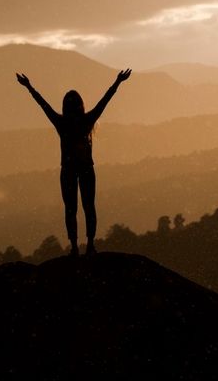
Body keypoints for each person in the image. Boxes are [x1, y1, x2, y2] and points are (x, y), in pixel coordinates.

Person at [16, 69, 132, 256]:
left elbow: (42, 104)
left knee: (71, 209)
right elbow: (105, 101)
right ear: (81, 105)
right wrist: (118, 82)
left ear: (65, 106)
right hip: (86, 169)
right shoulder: (87, 121)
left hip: (68, 170)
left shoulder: (62, 123)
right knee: (88, 206)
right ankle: (90, 245)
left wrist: (29, 86)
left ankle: (75, 247)